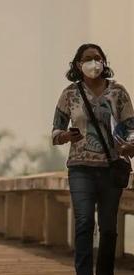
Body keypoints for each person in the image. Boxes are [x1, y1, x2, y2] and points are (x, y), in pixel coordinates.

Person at [52, 43, 134, 275]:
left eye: (98, 58)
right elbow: (55, 132)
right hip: (80, 169)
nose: (93, 63)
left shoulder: (118, 92)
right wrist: (66, 135)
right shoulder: (69, 94)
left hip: (112, 169)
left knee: (108, 229)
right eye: (88, 59)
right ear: (78, 65)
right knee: (84, 223)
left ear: (104, 62)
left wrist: (130, 145)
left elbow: (131, 127)